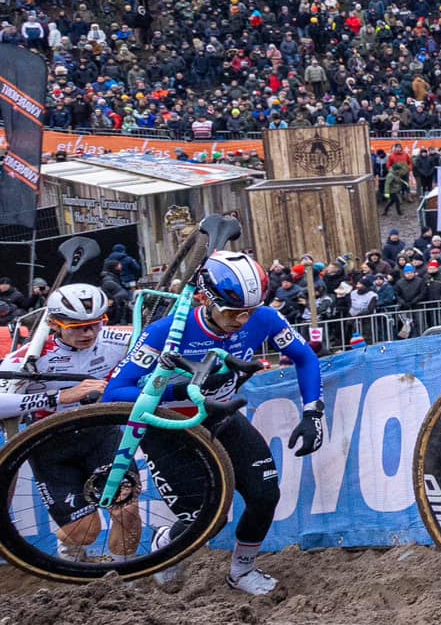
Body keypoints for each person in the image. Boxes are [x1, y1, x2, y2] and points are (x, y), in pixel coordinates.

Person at [102, 252, 325, 595]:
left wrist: (313, 412)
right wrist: (180, 391)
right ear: (205, 299)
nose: (241, 321)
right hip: (170, 428)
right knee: (206, 518)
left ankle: (242, 571)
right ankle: (166, 540)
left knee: (265, 495)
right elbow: (114, 393)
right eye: (233, 312)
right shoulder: (165, 331)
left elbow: (304, 356)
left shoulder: (263, 319)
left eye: (249, 312)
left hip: (221, 418)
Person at [0, 285, 139, 561]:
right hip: (51, 445)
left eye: (94, 325)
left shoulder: (117, 340)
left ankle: (126, 576)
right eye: (76, 327)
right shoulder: (32, 356)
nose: (87, 334)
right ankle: (72, 549)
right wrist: (61, 397)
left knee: (126, 509)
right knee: (85, 532)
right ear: (54, 324)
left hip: (101, 436)